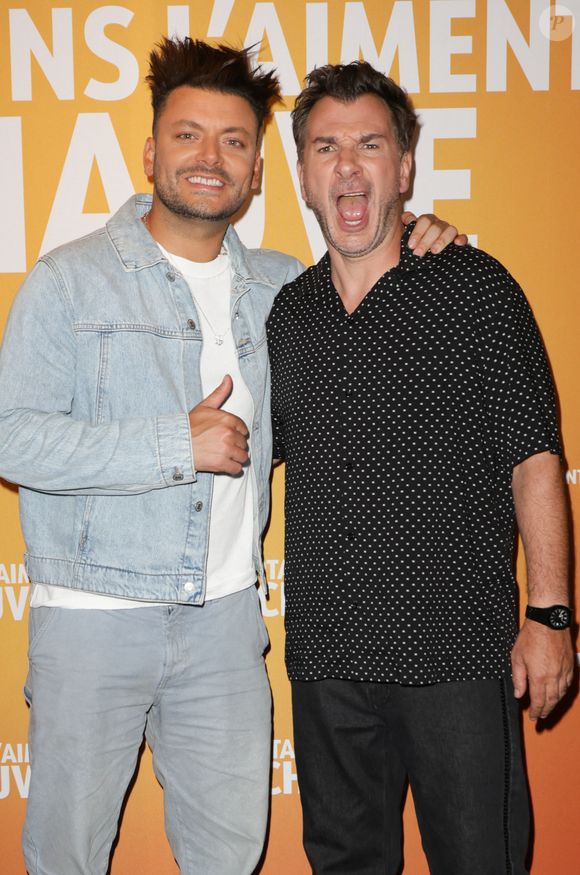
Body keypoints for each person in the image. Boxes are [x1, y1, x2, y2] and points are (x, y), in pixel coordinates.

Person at [0, 38, 459, 875]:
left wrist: (424, 235)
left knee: (230, 853)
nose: (210, 158)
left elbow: (369, 288)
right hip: (93, 618)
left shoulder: (287, 285)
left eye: (235, 141)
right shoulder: (69, 281)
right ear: (150, 152)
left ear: (255, 174)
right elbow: (12, 437)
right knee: (65, 856)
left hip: (224, 623)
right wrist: (175, 442)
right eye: (187, 135)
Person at [266, 61, 575, 875]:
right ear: (303, 174)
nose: (348, 164)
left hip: (459, 656)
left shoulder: (476, 288)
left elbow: (535, 458)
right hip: (328, 660)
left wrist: (549, 616)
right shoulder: (287, 314)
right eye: (326, 146)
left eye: (370, 143)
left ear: (404, 165)